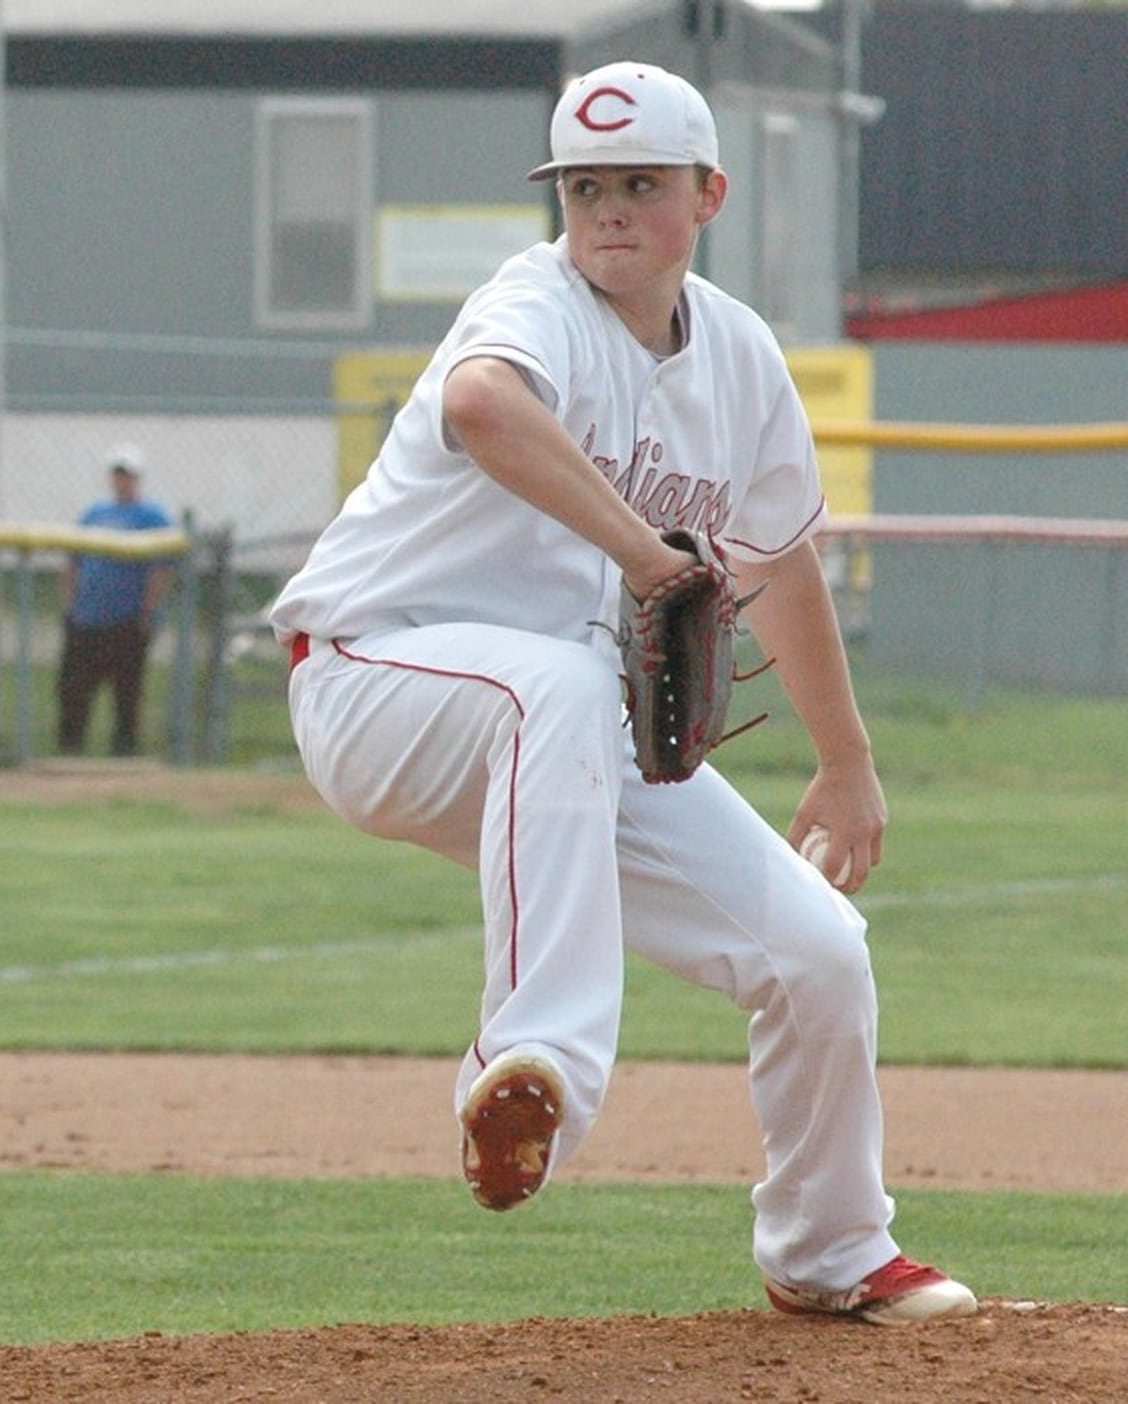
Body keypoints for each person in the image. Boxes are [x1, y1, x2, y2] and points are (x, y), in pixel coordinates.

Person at [270, 62, 977, 1326]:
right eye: (583, 186)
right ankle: (528, 1065)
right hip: (376, 679)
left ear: (706, 194)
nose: (604, 212)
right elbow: (486, 403)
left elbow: (774, 559)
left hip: (558, 737)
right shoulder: (533, 303)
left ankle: (831, 1249)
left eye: (638, 185)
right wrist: (647, 556)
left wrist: (846, 757)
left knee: (815, 952)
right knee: (551, 679)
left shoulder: (742, 355)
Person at [57, 444, 175, 757]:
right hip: (87, 618)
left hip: (127, 619)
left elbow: (160, 569)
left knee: (127, 691)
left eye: (128, 474)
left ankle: (124, 749)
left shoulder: (152, 515)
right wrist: (69, 605)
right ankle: (70, 748)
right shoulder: (96, 513)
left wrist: (149, 610)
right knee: (75, 688)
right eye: (118, 474)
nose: (122, 480)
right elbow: (72, 560)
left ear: (138, 478)